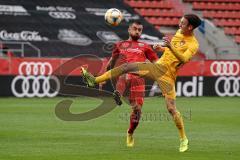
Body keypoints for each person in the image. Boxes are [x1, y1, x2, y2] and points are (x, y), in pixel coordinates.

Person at [82, 14, 202, 152]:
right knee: (127, 67)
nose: (179, 25)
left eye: (183, 23)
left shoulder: (193, 44)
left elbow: (184, 58)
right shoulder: (179, 33)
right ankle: (94, 80)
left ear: (190, 27)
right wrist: (162, 48)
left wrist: (169, 46)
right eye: (180, 22)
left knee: (171, 108)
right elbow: (171, 50)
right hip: (157, 67)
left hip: (168, 76)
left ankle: (183, 138)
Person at [104, 21, 158, 147]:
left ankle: (130, 132)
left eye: (140, 29)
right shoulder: (120, 45)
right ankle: (118, 93)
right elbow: (111, 62)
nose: (137, 31)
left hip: (138, 79)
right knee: (124, 73)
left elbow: (157, 62)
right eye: (135, 29)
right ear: (129, 30)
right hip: (124, 75)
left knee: (137, 110)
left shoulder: (145, 46)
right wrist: (104, 78)